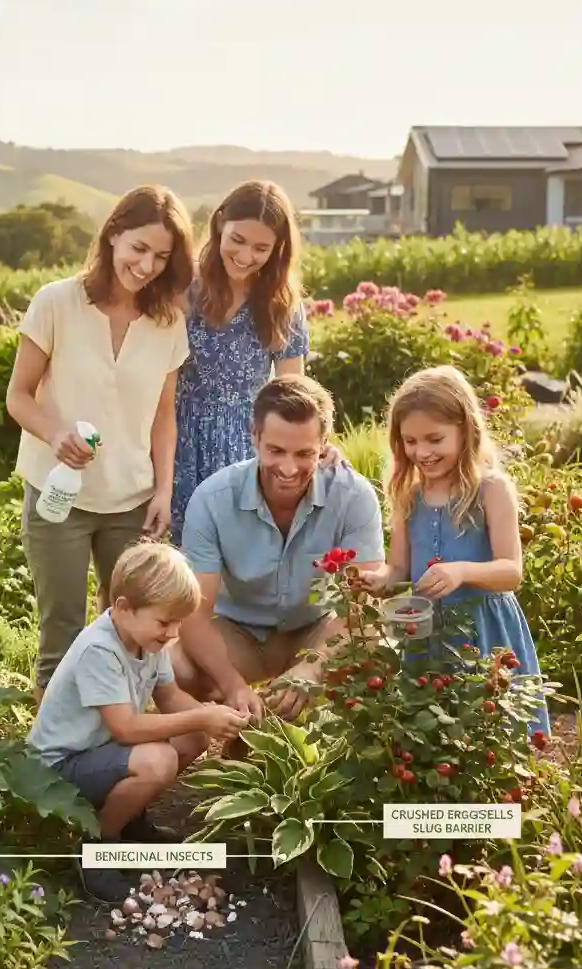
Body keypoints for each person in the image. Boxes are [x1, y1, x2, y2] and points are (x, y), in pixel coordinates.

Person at [6, 185, 195, 703]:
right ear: (113, 233)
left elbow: (163, 418)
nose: (147, 265)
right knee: (62, 634)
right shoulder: (56, 302)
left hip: (129, 501)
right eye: (139, 248)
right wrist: (55, 434)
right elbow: (19, 397)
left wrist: (161, 492)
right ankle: (49, 755)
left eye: (161, 256)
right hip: (57, 495)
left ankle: (124, 740)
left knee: (134, 634)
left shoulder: (167, 323)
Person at [27, 540, 249, 902]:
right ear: (123, 608)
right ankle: (97, 846)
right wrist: (202, 715)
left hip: (97, 753)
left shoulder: (148, 641)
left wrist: (214, 719)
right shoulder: (99, 649)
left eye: (177, 623)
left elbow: (171, 698)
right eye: (164, 622)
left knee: (193, 737)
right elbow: (126, 728)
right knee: (158, 760)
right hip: (57, 769)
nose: (172, 633)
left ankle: (130, 821)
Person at [174, 374, 385, 724]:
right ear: (255, 438)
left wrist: (313, 666)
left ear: (324, 445)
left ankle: (314, 737)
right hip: (239, 630)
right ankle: (221, 731)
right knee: (177, 666)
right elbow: (194, 613)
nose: (288, 468)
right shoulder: (213, 499)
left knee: (376, 647)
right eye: (276, 451)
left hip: (314, 627)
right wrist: (233, 685)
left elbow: (364, 603)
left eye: (304, 453)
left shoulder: (353, 497)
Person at [356, 366, 551, 736]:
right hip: (427, 632)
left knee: (494, 730)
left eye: (434, 439)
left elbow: (512, 571)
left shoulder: (491, 489)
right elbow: (397, 567)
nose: (422, 452)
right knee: (431, 732)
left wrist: (462, 571)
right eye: (410, 442)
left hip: (485, 632)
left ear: (466, 429)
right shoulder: (409, 495)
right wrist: (376, 579)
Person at [170, 181, 329, 546]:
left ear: (277, 249)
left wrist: (317, 441)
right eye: (238, 240)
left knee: (238, 555)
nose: (245, 255)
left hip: (246, 443)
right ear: (220, 223)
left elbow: (293, 388)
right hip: (178, 436)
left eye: (261, 248)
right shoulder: (184, 288)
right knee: (176, 562)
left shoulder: (280, 303)